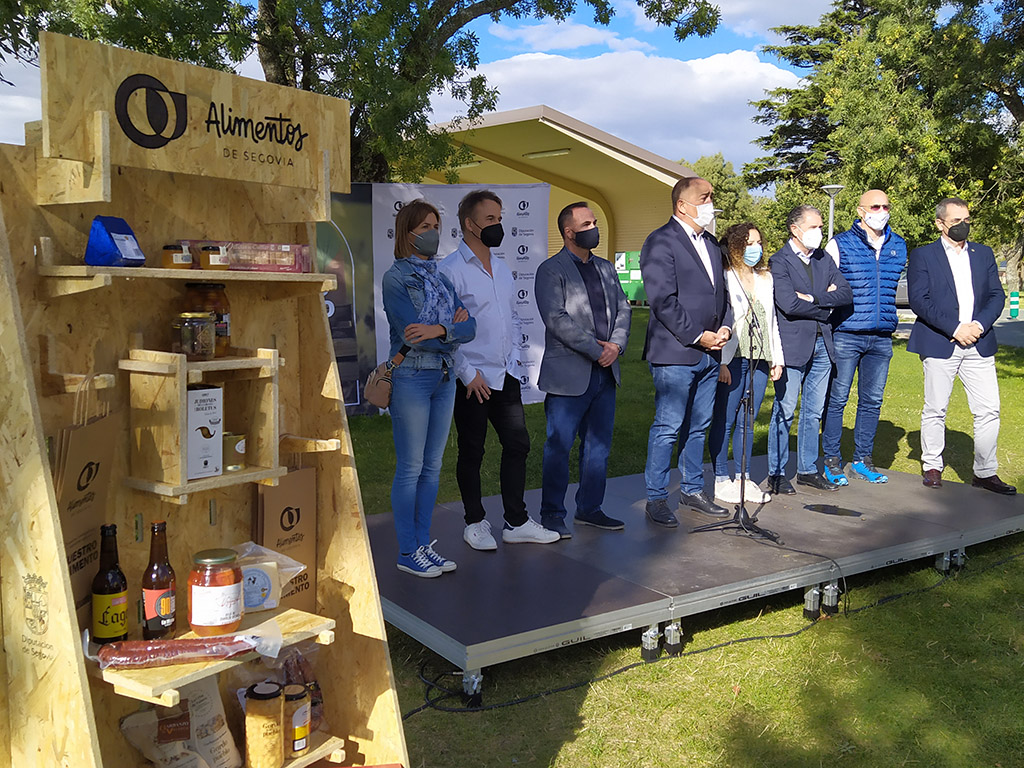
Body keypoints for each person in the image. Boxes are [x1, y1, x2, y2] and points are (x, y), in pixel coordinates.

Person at [440, 190, 559, 550]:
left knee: (517, 444)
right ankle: (475, 522)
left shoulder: (503, 268)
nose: (498, 225)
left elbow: (506, 320)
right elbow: (446, 330)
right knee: (472, 450)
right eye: (490, 219)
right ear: (470, 225)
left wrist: (513, 362)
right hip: (471, 378)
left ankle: (516, 521)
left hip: (504, 374)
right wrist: (466, 372)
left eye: (499, 218)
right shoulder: (450, 271)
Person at [381, 199, 476, 577]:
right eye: (424, 227)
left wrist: (440, 330)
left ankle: (423, 543)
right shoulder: (396, 278)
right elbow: (412, 335)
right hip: (412, 378)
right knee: (411, 467)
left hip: (444, 376)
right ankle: (407, 551)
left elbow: (470, 329)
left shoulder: (441, 276)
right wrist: (448, 331)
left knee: (433, 467)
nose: (432, 233)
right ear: (407, 234)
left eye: (435, 225)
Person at [640, 176, 733, 528]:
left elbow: (720, 294)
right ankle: (657, 497)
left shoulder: (710, 243)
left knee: (699, 426)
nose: (711, 202)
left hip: (710, 353)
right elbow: (663, 299)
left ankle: (693, 489)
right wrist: (699, 336)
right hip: (676, 352)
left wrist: (724, 328)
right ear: (682, 204)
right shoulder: (660, 241)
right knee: (668, 426)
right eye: (705, 197)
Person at [535, 202, 631, 538]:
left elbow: (623, 308)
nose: (594, 227)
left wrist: (615, 346)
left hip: (606, 372)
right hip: (569, 375)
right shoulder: (552, 270)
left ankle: (590, 509)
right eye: (586, 223)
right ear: (568, 232)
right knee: (558, 445)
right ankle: (552, 514)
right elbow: (556, 319)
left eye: (594, 221)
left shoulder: (605, 268)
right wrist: (597, 349)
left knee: (599, 446)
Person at [907, 197, 1015, 495]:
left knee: (989, 410)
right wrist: (955, 328)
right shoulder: (923, 255)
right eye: (956, 221)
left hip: (979, 343)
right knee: (936, 409)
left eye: (967, 220)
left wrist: (977, 326)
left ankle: (985, 472)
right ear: (940, 224)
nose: (963, 226)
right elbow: (920, 300)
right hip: (941, 342)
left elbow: (996, 296)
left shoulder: (983, 254)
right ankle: (932, 465)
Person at [821, 190, 907, 486]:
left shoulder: (898, 245)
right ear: (861, 211)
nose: (881, 210)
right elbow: (826, 285)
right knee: (838, 399)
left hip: (881, 337)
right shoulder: (840, 244)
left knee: (872, 401)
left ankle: (862, 460)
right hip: (845, 333)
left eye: (885, 205)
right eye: (875, 206)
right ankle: (831, 460)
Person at [766, 205, 852, 495]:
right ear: (795, 229)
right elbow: (788, 303)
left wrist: (814, 298)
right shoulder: (779, 261)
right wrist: (824, 306)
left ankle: (806, 469)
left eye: (819, 226)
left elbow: (844, 293)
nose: (819, 232)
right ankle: (776, 473)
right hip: (793, 347)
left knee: (813, 412)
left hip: (822, 345)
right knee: (785, 410)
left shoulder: (823, 258)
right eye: (813, 227)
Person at [706, 223, 784, 505]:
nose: (756, 248)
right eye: (749, 243)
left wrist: (776, 358)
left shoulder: (766, 278)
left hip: (760, 356)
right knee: (725, 420)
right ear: (736, 246)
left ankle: (743, 476)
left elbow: (771, 319)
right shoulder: (725, 276)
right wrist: (722, 363)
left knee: (747, 421)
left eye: (759, 242)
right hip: (733, 357)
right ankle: (720, 477)